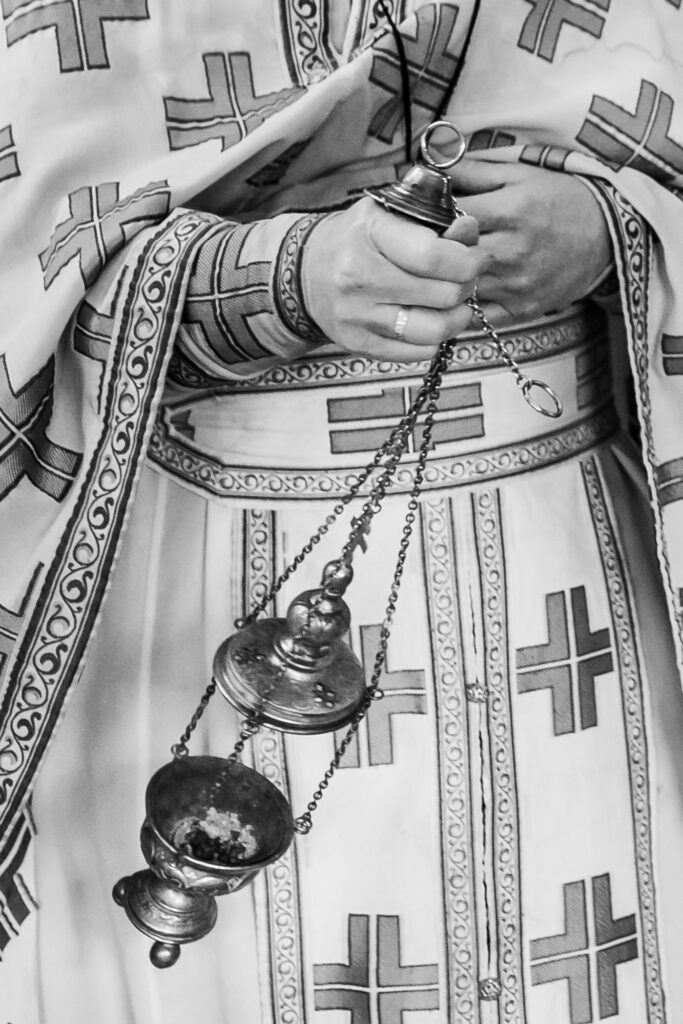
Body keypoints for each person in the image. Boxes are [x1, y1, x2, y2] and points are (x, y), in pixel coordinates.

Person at [1, 1, 682, 1021]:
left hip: (565, 574)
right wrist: (289, 279)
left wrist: (612, 229)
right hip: (207, 562)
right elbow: (30, 275)